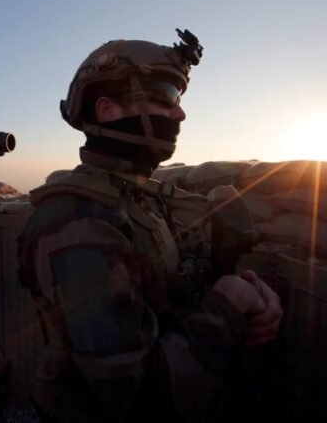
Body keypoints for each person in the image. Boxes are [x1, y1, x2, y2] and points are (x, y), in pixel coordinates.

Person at [17, 29, 283, 423]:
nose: (179, 114)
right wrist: (228, 304)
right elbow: (137, 399)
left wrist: (247, 290)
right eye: (167, 97)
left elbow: (171, 291)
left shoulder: (141, 198)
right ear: (107, 110)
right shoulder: (78, 223)